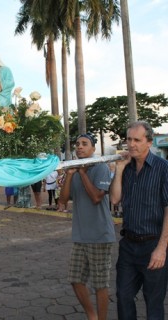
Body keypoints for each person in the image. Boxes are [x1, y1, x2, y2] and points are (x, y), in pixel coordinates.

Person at [110, 121, 168, 320]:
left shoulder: (163, 168)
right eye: (129, 139)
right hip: (128, 246)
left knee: (153, 301)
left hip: (153, 245)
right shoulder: (126, 168)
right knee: (123, 296)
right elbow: (115, 199)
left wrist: (161, 249)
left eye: (137, 140)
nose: (131, 144)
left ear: (149, 142)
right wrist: (118, 170)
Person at [60, 133, 116, 320]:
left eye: (84, 144)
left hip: (100, 235)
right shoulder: (74, 171)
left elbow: (96, 198)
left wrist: (83, 172)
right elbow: (62, 201)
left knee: (100, 284)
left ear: (93, 149)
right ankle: (91, 315)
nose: (79, 147)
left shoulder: (100, 167)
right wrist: (69, 175)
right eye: (77, 144)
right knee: (75, 280)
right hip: (80, 236)